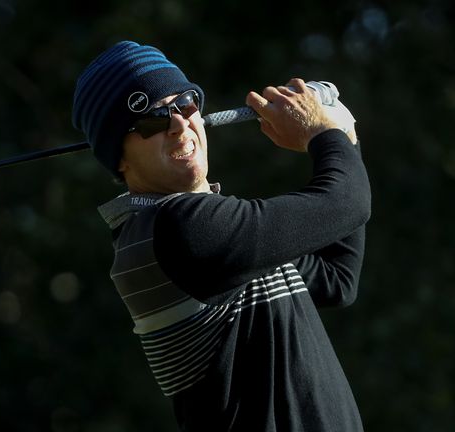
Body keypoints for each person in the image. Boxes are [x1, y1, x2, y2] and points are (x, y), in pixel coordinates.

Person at [72, 41, 370, 431]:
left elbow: (336, 279)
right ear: (120, 158)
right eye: (151, 120)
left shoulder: (184, 231)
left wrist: (343, 137)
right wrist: (323, 133)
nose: (179, 124)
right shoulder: (182, 229)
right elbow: (346, 203)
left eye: (186, 104)